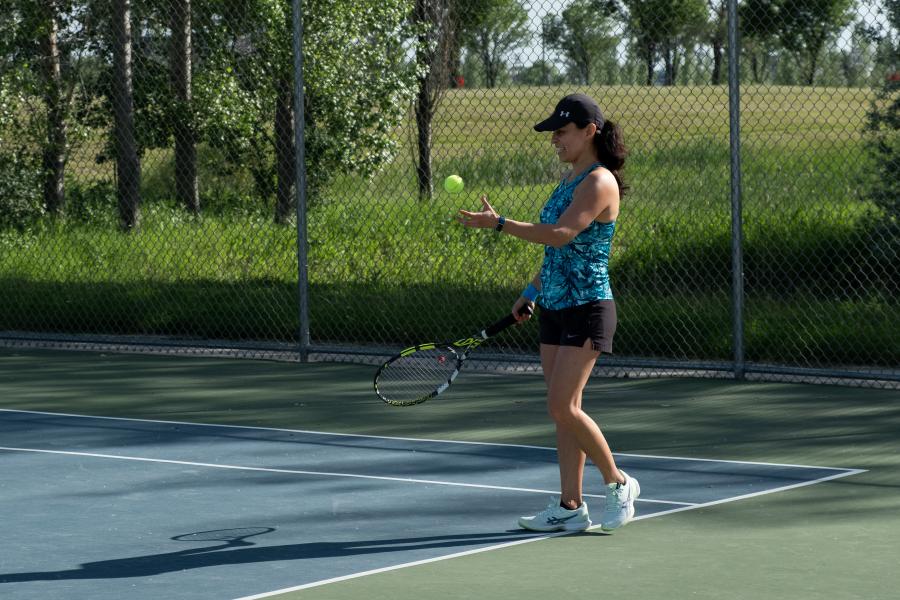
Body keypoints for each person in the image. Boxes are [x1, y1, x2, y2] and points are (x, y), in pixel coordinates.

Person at [457, 93, 639, 533]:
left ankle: (619, 484)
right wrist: (532, 289)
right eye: (554, 133)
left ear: (589, 131)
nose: (554, 139)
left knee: (562, 405)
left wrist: (501, 224)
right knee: (564, 410)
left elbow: (559, 235)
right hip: (555, 306)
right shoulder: (569, 180)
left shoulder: (599, 182)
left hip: (588, 307)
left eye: (562, 131)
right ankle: (570, 506)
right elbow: (559, 254)